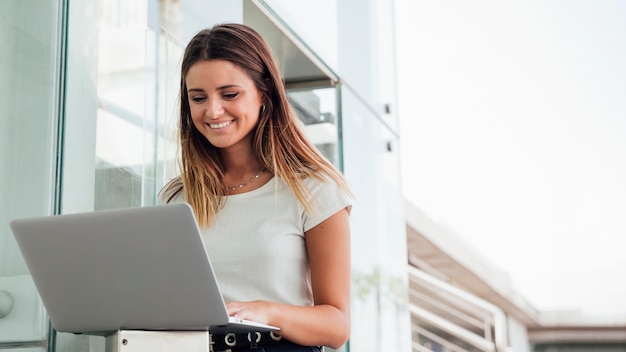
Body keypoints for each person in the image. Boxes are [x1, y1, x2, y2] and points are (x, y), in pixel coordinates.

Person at [160, 23, 353, 352]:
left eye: (229, 94)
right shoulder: (178, 198)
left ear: (264, 92)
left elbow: (337, 326)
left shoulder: (314, 190)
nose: (213, 110)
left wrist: (269, 312)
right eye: (198, 98)